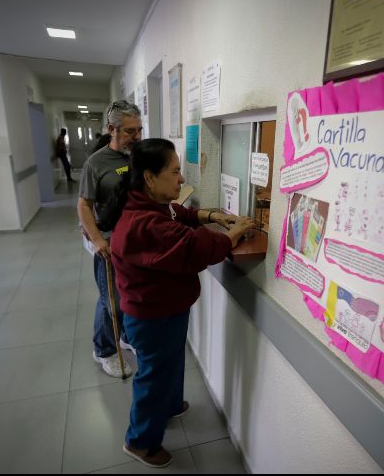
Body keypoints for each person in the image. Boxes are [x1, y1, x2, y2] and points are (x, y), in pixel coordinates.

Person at [110, 138, 253, 468]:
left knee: (171, 363)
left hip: (167, 308)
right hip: (151, 316)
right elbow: (195, 248)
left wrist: (213, 214)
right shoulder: (143, 223)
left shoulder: (155, 204)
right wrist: (236, 231)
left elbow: (183, 213)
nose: (182, 179)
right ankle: (140, 442)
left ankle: (170, 405)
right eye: (175, 172)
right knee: (153, 376)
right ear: (149, 177)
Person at [77, 100, 143, 379]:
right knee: (111, 300)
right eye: (130, 131)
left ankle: (125, 336)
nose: (136, 137)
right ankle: (103, 349)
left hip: (136, 240)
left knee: (129, 294)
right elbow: (83, 205)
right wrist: (97, 240)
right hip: (108, 240)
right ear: (112, 129)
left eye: (139, 130)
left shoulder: (139, 155)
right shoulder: (96, 163)